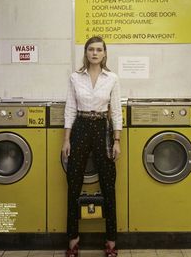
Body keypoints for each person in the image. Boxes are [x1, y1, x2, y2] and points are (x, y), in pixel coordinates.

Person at [61, 36, 122, 257]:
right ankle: (73, 240)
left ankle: (111, 240)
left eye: (99, 50)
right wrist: (66, 139)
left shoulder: (112, 78)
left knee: (108, 184)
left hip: (102, 130)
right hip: (81, 127)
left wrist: (117, 141)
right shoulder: (75, 78)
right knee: (74, 183)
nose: (94, 53)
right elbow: (69, 109)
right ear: (86, 53)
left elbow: (115, 111)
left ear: (104, 53)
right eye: (90, 49)